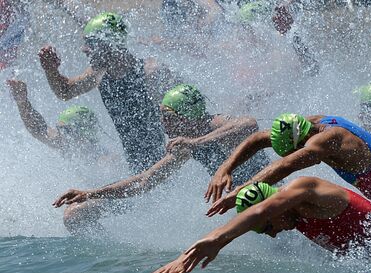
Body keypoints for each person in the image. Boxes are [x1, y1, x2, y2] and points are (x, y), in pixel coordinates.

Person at [52, 84, 269, 233]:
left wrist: (196, 142)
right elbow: (144, 181)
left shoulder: (215, 124)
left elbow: (248, 124)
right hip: (243, 202)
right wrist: (90, 193)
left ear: (186, 117)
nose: (163, 124)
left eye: (168, 117)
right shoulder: (185, 145)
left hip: (268, 191)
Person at [150, 177, 371, 273]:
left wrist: (214, 241)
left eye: (269, 227)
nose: (272, 234)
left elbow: (260, 211)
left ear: (276, 208)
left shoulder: (310, 191)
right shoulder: (293, 217)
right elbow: (260, 211)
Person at [205, 113, 371, 222]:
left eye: (295, 150)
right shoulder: (307, 125)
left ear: (300, 143)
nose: (295, 154)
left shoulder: (325, 141)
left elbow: (284, 166)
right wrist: (224, 169)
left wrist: (240, 190)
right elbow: (258, 138)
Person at [38, 12, 181, 173]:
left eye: (90, 43)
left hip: (166, 165)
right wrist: (51, 70)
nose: (84, 49)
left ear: (110, 44)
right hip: (135, 166)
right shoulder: (99, 74)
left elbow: (192, 117)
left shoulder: (152, 73)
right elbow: (65, 92)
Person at [6, 78, 108, 162]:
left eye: (65, 131)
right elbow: (38, 129)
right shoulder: (66, 145)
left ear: (83, 134)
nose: (60, 135)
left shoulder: (103, 159)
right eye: (59, 129)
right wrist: (22, 102)